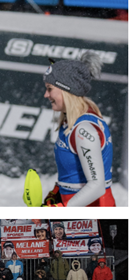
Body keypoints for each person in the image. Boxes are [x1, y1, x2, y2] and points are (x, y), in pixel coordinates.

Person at [41, 53, 115, 206]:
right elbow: (76, 174)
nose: (46, 95)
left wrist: (63, 209)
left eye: (50, 89)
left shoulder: (83, 130)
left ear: (66, 90)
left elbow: (97, 186)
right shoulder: (72, 121)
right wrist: (59, 192)